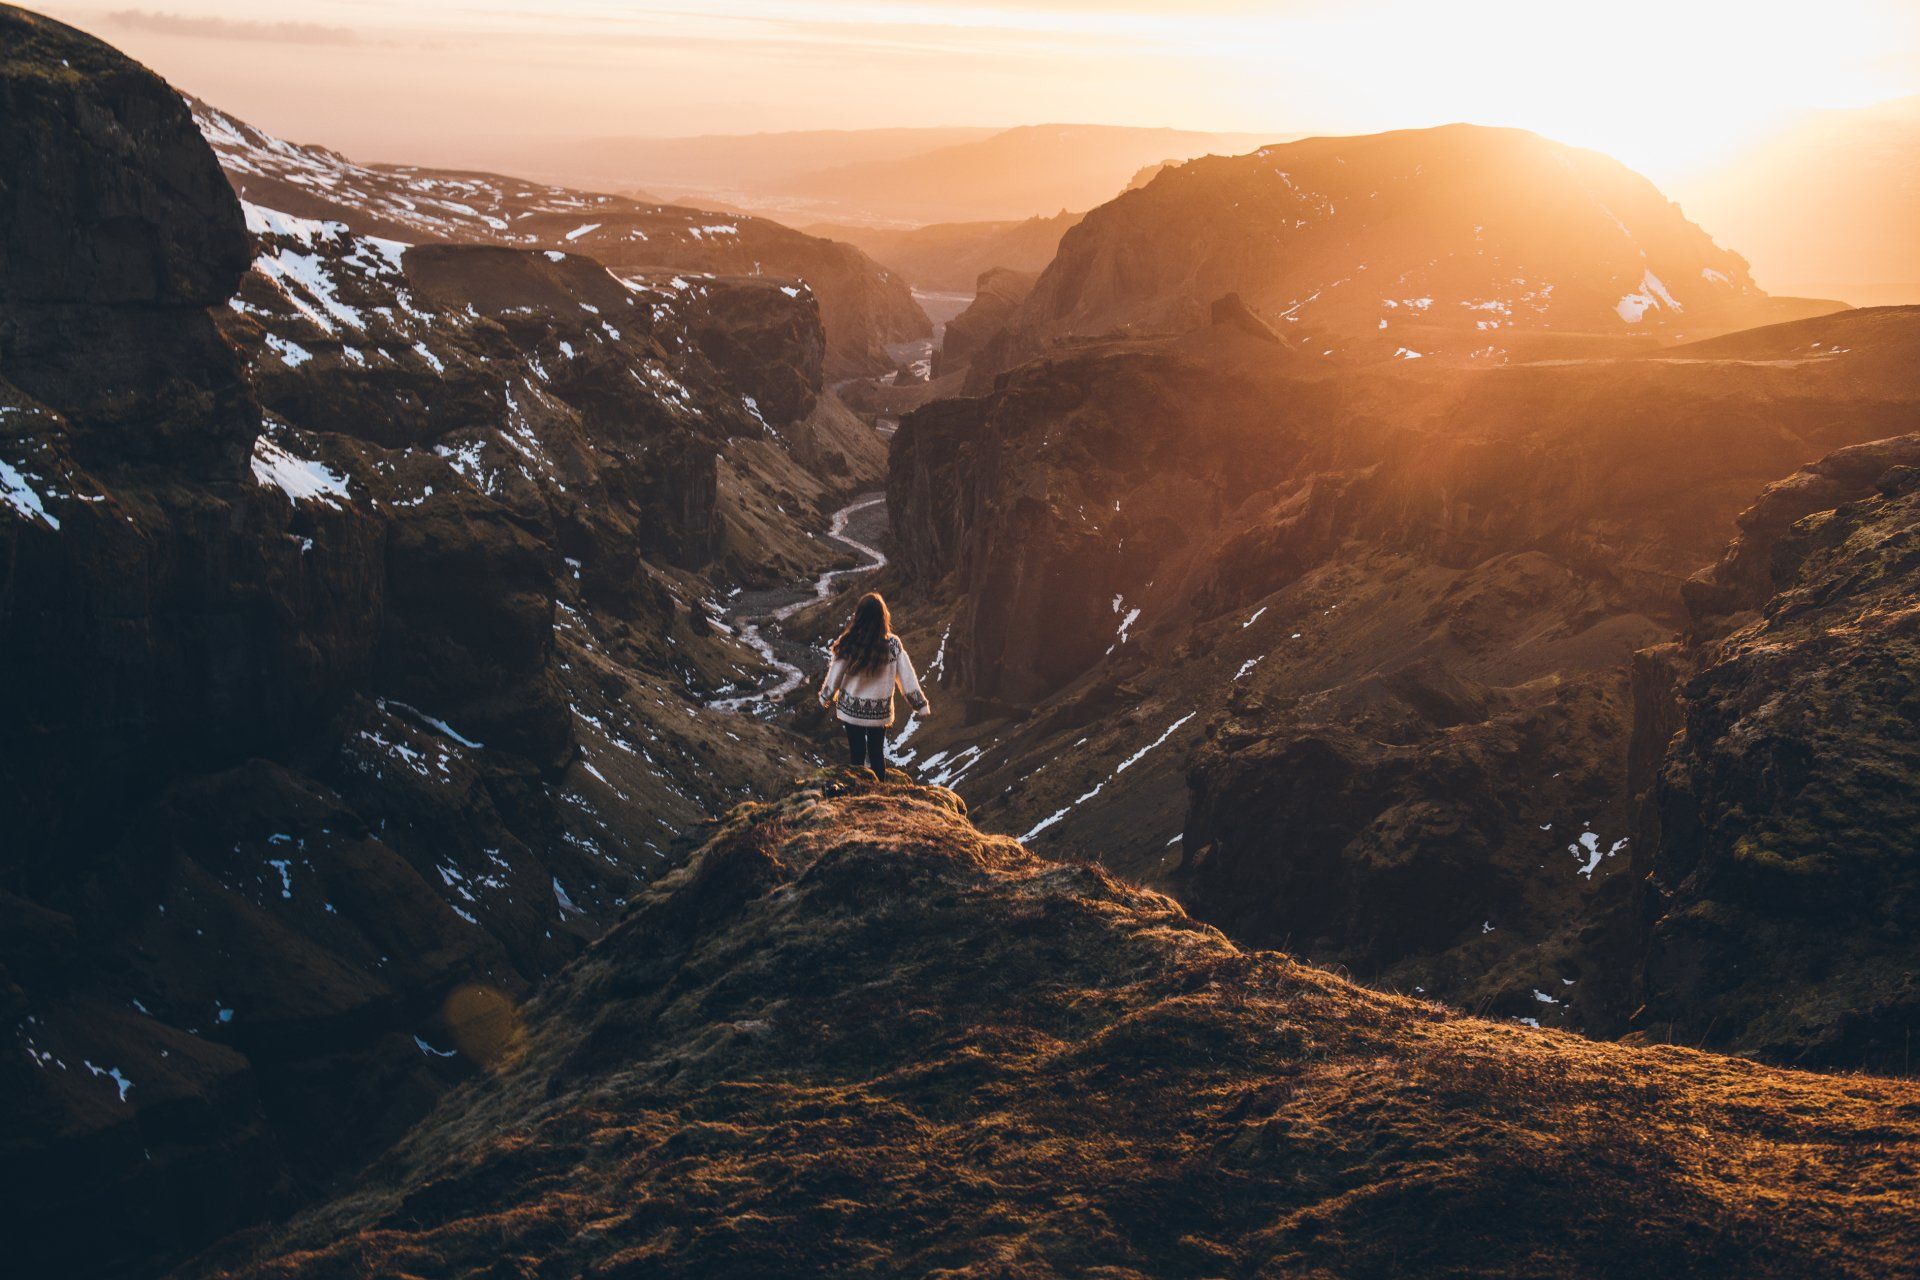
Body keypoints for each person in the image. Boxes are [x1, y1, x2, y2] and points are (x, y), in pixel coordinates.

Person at [819, 591, 929, 779]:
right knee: (877, 754)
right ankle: (879, 791)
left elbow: (835, 674)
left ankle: (858, 792)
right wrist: (919, 704)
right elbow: (907, 678)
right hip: (879, 712)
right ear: (883, 616)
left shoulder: (849, 641)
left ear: (858, 616)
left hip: (852, 710)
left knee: (857, 754)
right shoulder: (893, 645)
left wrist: (826, 696)